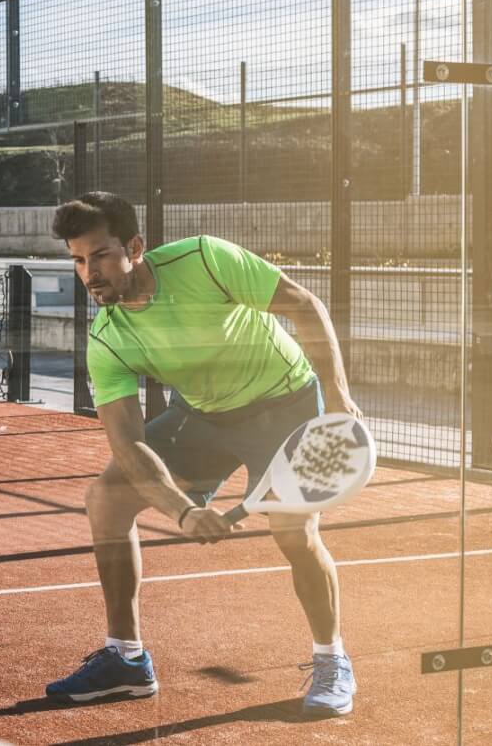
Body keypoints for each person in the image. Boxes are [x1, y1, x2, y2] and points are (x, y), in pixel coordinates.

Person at [44, 191, 362, 717]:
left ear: (135, 248)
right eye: (78, 261)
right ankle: (126, 658)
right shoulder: (108, 338)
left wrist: (338, 398)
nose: (89, 274)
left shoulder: (206, 260)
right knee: (107, 498)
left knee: (292, 531)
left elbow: (304, 306)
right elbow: (128, 444)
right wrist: (184, 512)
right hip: (205, 415)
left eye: (100, 255)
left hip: (285, 403)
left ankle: (332, 659)